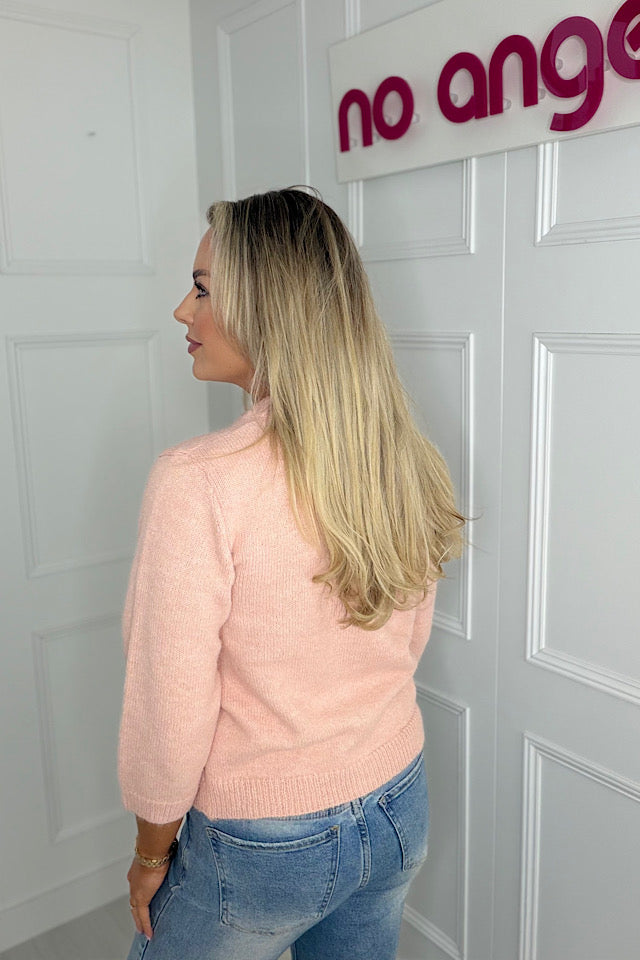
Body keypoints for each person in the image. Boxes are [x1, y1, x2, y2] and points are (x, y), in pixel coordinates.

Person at [118, 186, 468, 960]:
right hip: (397, 797)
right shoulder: (394, 452)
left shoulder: (198, 481)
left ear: (268, 308)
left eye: (203, 289)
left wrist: (150, 852)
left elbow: (167, 704)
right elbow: (405, 638)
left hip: (266, 841)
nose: (182, 310)